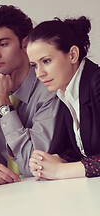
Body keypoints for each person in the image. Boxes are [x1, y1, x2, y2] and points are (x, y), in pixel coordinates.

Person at [0, 5, 63, 186]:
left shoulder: (49, 87)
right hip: (1, 198)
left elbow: (31, 166)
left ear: (25, 45)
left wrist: (3, 105)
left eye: (3, 44)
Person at [27, 16, 100, 180]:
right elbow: (82, 150)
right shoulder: (66, 92)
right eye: (35, 65)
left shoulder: (97, 83)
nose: (39, 73)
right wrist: (53, 161)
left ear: (73, 55)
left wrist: (60, 171)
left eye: (46, 61)